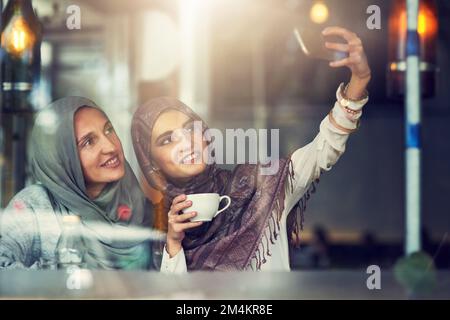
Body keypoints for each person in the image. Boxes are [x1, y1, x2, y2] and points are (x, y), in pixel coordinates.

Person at [131, 26, 371, 272]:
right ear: (152, 164)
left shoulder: (262, 187)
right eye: (167, 140)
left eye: (189, 129)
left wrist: (359, 81)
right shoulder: (153, 230)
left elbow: (323, 150)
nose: (185, 142)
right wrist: (173, 243)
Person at [0, 97, 153, 269]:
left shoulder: (137, 204)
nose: (110, 147)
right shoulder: (36, 205)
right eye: (88, 142)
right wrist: (61, 272)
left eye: (109, 130)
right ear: (62, 158)